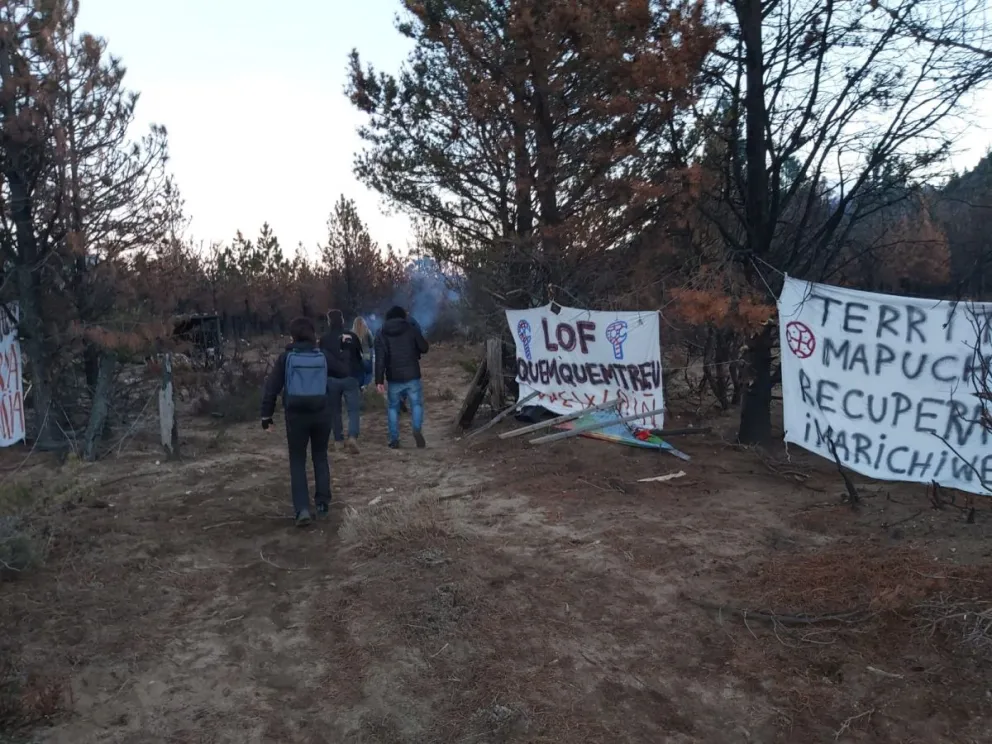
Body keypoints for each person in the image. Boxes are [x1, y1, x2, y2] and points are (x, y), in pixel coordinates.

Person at [261, 316, 347, 526]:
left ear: (293, 335)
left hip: (296, 415)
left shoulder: (286, 357)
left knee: (297, 461)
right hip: (321, 412)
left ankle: (302, 511)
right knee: (320, 456)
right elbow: (343, 371)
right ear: (312, 334)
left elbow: (272, 387)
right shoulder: (323, 355)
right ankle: (323, 505)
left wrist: (267, 416)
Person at [375, 305, 429, 449]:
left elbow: (380, 359)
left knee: (393, 407)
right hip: (412, 374)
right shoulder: (411, 328)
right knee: (416, 404)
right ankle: (416, 428)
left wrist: (379, 381)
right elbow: (424, 348)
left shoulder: (381, 333)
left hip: (394, 377)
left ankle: (394, 440)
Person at [320, 309, 363, 454]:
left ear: (328, 321)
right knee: (353, 410)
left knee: (335, 411)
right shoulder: (352, 336)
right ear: (343, 320)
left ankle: (338, 440)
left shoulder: (324, 340)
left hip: (331, 379)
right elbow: (359, 357)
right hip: (350, 377)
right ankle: (352, 437)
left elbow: (321, 360)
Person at [351, 316, 374, 390]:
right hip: (366, 355)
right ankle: (365, 385)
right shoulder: (367, 331)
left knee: (359, 372)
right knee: (369, 372)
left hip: (356, 356)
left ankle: (359, 387)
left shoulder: (351, 333)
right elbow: (371, 344)